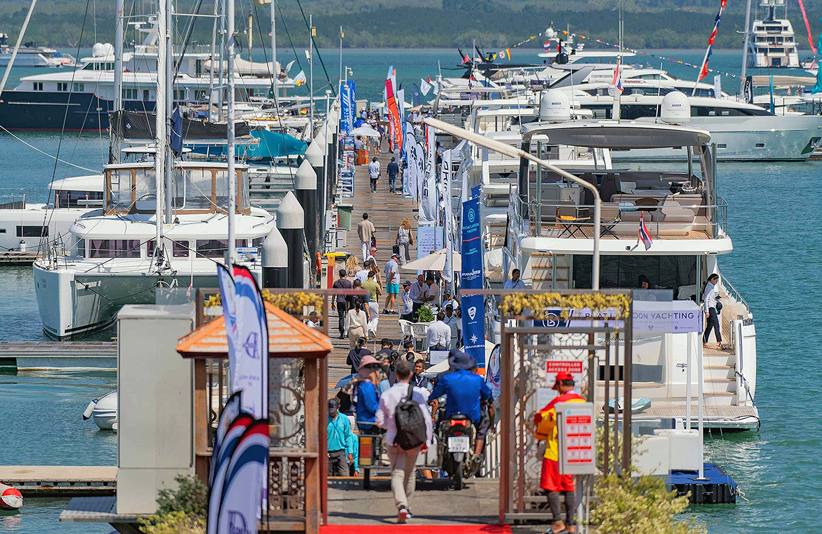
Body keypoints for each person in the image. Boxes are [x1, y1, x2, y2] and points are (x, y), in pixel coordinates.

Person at [374, 360, 433, 524]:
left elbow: (379, 421)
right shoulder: (418, 393)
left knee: (397, 473)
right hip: (414, 440)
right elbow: (426, 420)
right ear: (411, 374)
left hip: (394, 440)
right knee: (410, 472)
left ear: (395, 375)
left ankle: (401, 506)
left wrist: (391, 426)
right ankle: (408, 507)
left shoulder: (387, 394)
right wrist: (427, 441)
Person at [533, 373, 585, 534]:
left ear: (561, 383)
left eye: (557, 386)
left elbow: (539, 417)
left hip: (555, 450)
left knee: (550, 486)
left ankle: (557, 522)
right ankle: (571, 524)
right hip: (573, 451)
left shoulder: (559, 401)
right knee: (569, 487)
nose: (557, 390)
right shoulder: (582, 402)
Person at [429, 350, 493, 461]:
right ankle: (477, 455)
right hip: (473, 417)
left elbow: (435, 394)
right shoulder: (477, 379)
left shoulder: (447, 378)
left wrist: (430, 398)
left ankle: (440, 450)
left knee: (439, 428)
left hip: (451, 415)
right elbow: (487, 394)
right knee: (482, 429)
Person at [353, 355, 383, 432]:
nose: (372, 369)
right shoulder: (367, 385)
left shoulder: (364, 383)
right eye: (369, 366)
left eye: (375, 366)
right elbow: (371, 406)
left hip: (367, 420)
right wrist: (386, 412)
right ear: (362, 369)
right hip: (369, 421)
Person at [327, 398, 355, 477]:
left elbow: (348, 436)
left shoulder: (344, 419)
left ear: (337, 408)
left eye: (333, 411)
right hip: (328, 452)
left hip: (341, 451)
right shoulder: (324, 419)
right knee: (326, 476)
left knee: (344, 474)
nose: (331, 413)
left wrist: (350, 452)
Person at [702, 273, 722, 349]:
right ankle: (719, 341)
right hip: (710, 308)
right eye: (716, 281)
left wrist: (716, 298)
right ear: (712, 279)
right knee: (716, 324)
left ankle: (704, 341)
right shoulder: (709, 288)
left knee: (710, 325)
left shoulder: (710, 286)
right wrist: (706, 311)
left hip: (711, 307)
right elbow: (706, 299)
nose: (716, 282)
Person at [332, 270, 352, 339]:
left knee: (341, 317)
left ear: (339, 275)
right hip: (347, 302)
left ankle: (341, 333)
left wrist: (332, 302)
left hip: (339, 301)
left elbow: (334, 294)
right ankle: (348, 332)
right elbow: (351, 293)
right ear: (345, 274)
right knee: (348, 317)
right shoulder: (348, 283)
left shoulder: (336, 283)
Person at [362, 271, 382, 338]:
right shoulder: (375, 284)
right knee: (375, 317)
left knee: (368, 317)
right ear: (373, 276)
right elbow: (380, 293)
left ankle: (368, 333)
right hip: (374, 302)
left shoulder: (363, 284)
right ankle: (373, 329)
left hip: (366, 302)